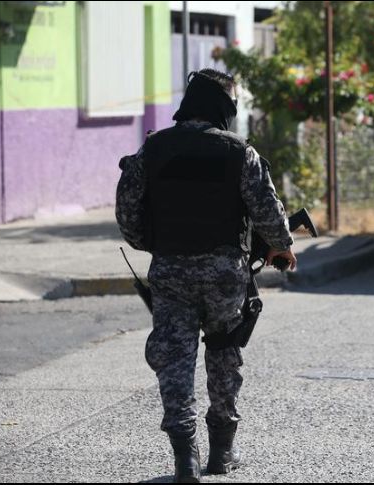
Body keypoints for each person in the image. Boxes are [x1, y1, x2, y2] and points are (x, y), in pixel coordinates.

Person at [115, 68, 296, 482]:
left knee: (174, 358)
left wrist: (154, 244)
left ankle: (186, 459)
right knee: (224, 352)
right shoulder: (239, 152)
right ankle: (222, 452)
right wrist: (281, 245)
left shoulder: (153, 149)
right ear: (221, 106)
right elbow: (268, 211)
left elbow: (127, 213)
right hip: (224, 275)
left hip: (171, 271)